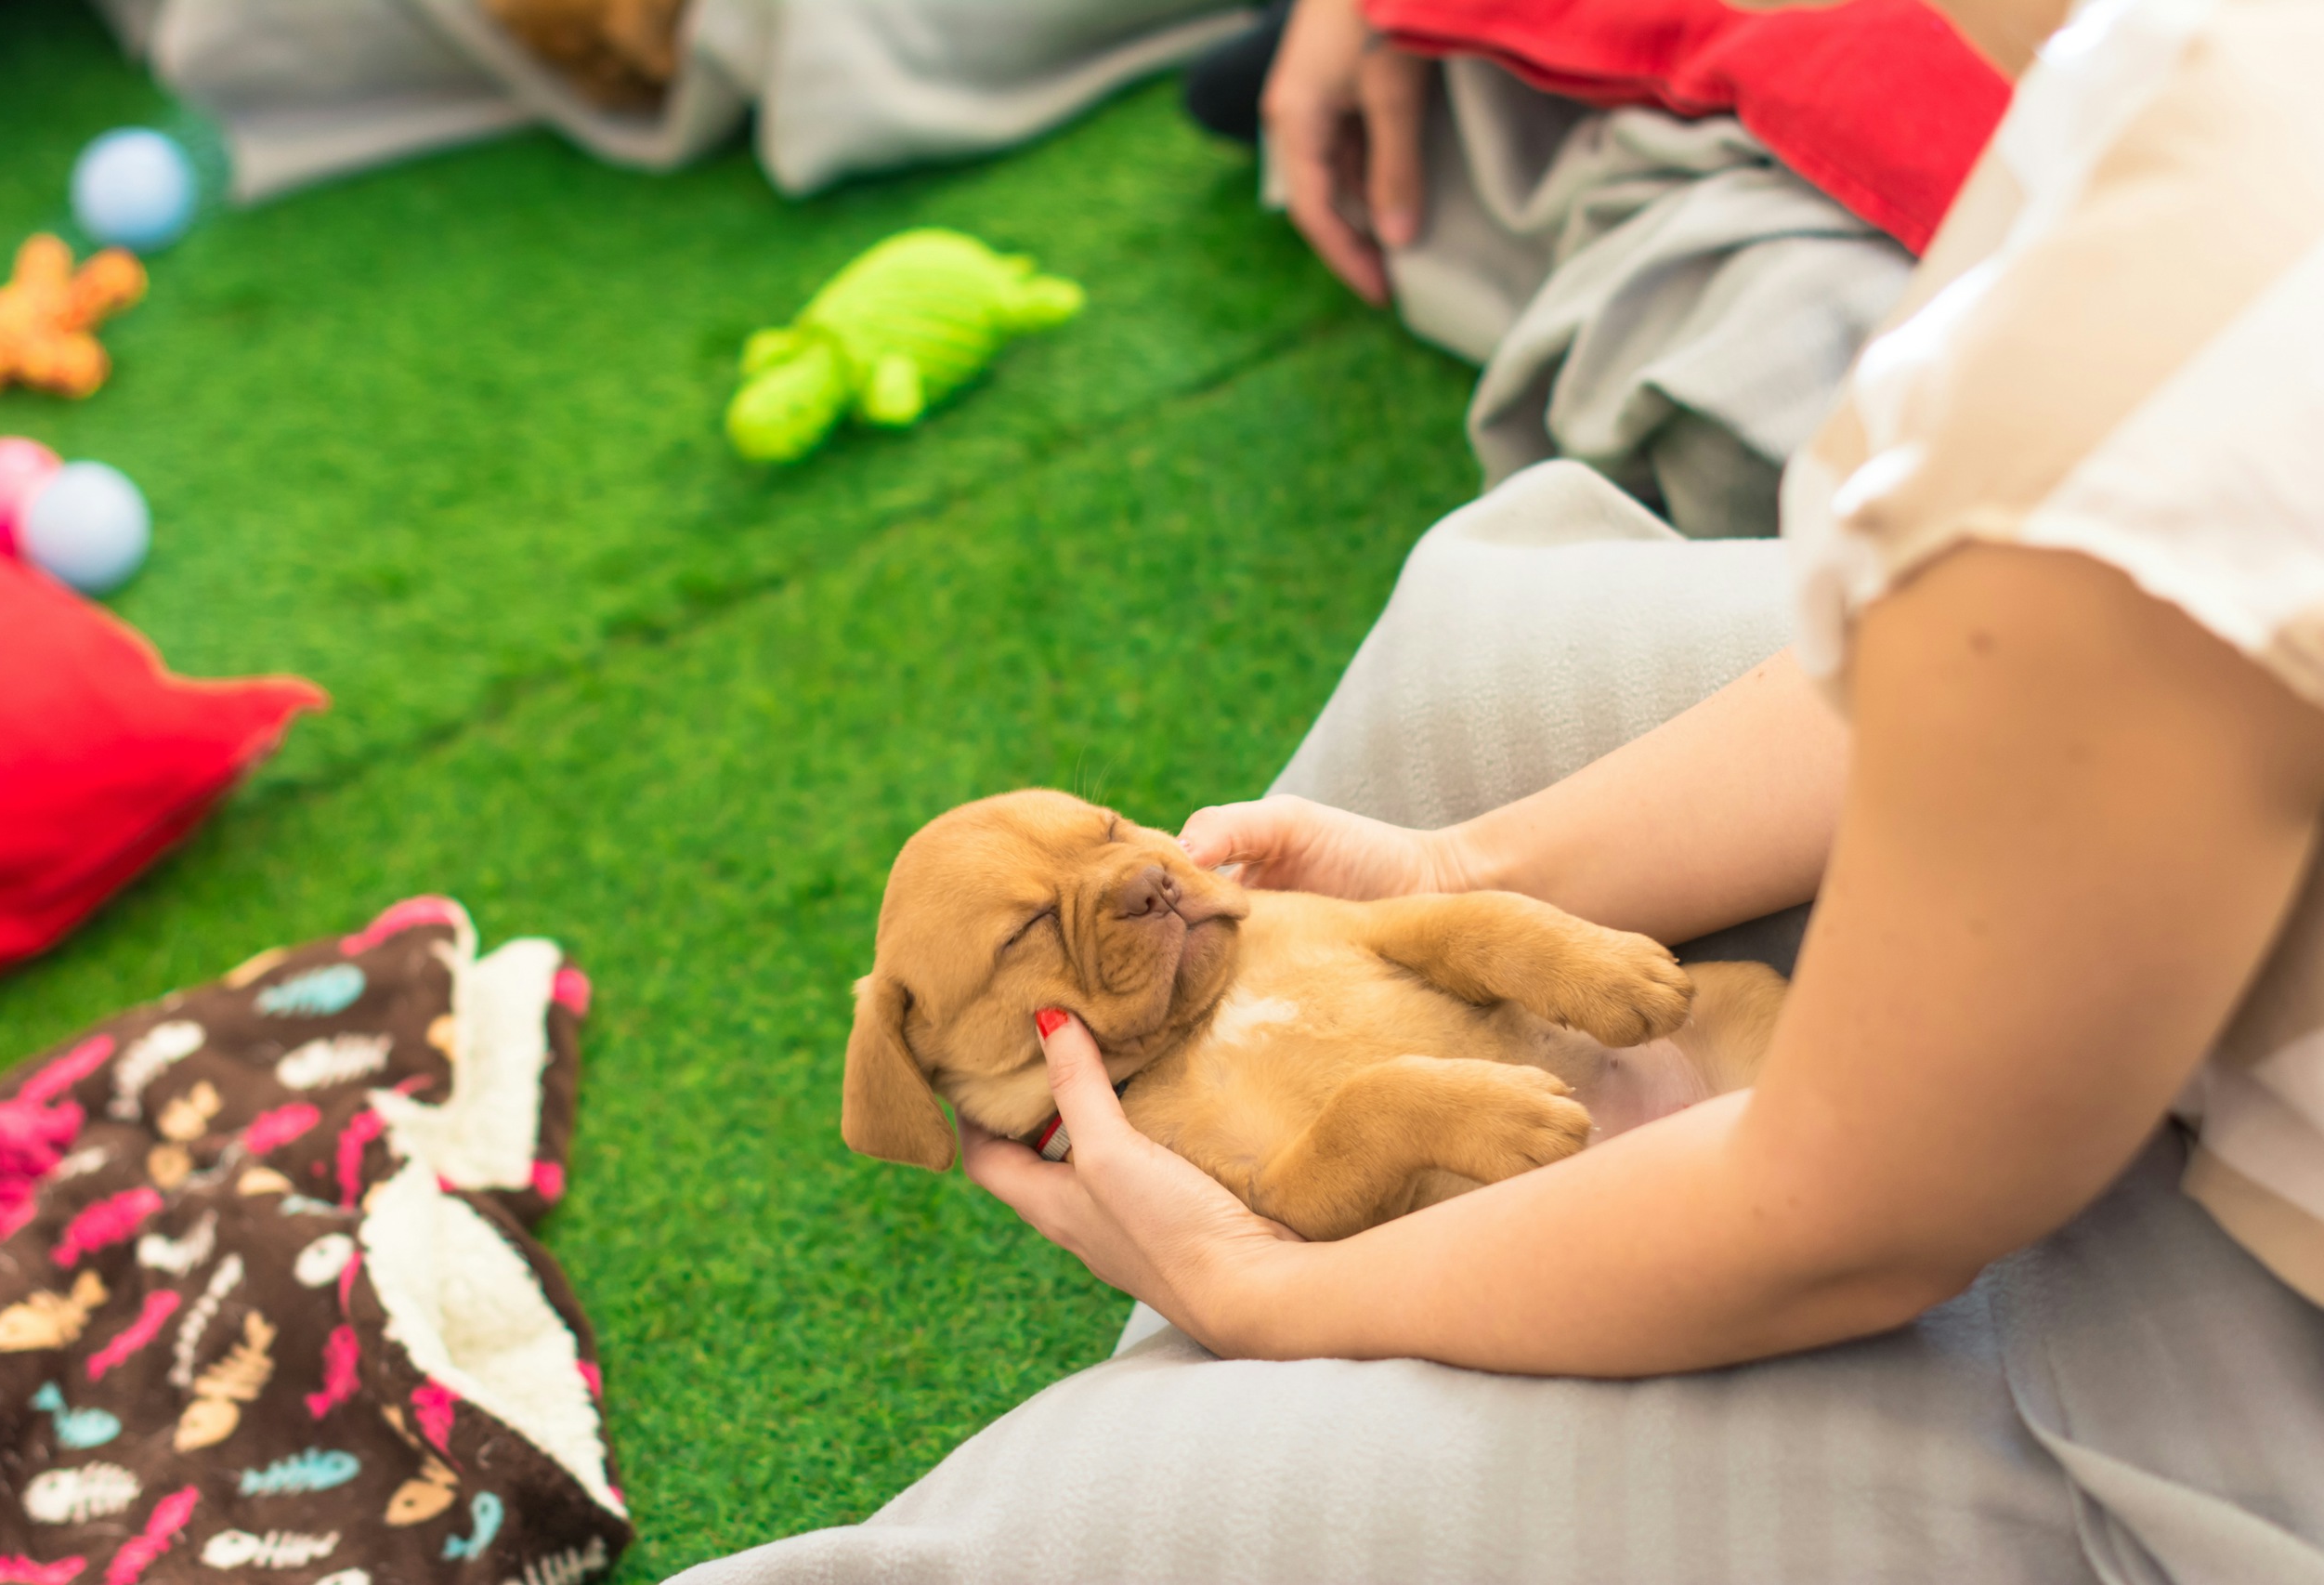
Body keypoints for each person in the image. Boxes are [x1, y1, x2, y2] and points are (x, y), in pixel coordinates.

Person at [677, 0, 2324, 1577]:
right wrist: (1460, 859)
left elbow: (1855, 1220)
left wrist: (1269, 1298)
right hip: (2118, 771)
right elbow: (1946, 655)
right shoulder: (2161, 99)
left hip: (2237, 1293)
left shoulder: (2139, 394)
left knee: (1043, 1536)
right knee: (1471, 641)